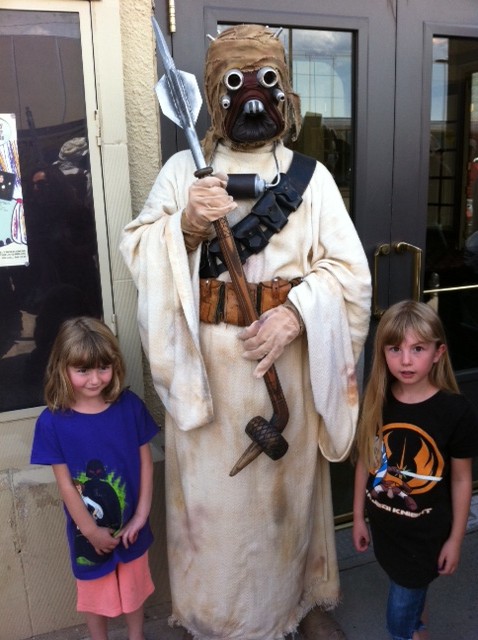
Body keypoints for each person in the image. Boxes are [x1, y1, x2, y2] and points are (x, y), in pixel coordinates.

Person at [120, 24, 371, 640]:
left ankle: (294, 605)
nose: (253, 95)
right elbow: (138, 249)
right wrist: (185, 224)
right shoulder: (183, 171)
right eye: (236, 83)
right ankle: (214, 618)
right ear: (214, 94)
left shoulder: (311, 179)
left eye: (268, 80)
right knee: (217, 509)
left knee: (285, 500)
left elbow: (350, 273)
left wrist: (297, 314)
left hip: (286, 367)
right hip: (208, 376)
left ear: (285, 91)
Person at [352, 300, 478, 640]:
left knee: (399, 622)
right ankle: (419, 629)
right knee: (409, 595)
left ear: (438, 353)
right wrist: (359, 516)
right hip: (386, 531)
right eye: (395, 349)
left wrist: (456, 539)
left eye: (418, 349)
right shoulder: (378, 400)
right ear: (383, 352)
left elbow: (461, 479)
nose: (405, 360)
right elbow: (366, 460)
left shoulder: (456, 412)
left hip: (424, 538)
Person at [30, 317, 159, 640]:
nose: (95, 379)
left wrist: (141, 516)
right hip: (86, 533)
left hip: (132, 527)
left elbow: (146, 463)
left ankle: (136, 635)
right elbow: (65, 486)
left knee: (134, 587)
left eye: (103, 368)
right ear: (62, 368)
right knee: (94, 592)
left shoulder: (130, 407)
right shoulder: (52, 422)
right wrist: (90, 531)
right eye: (83, 370)